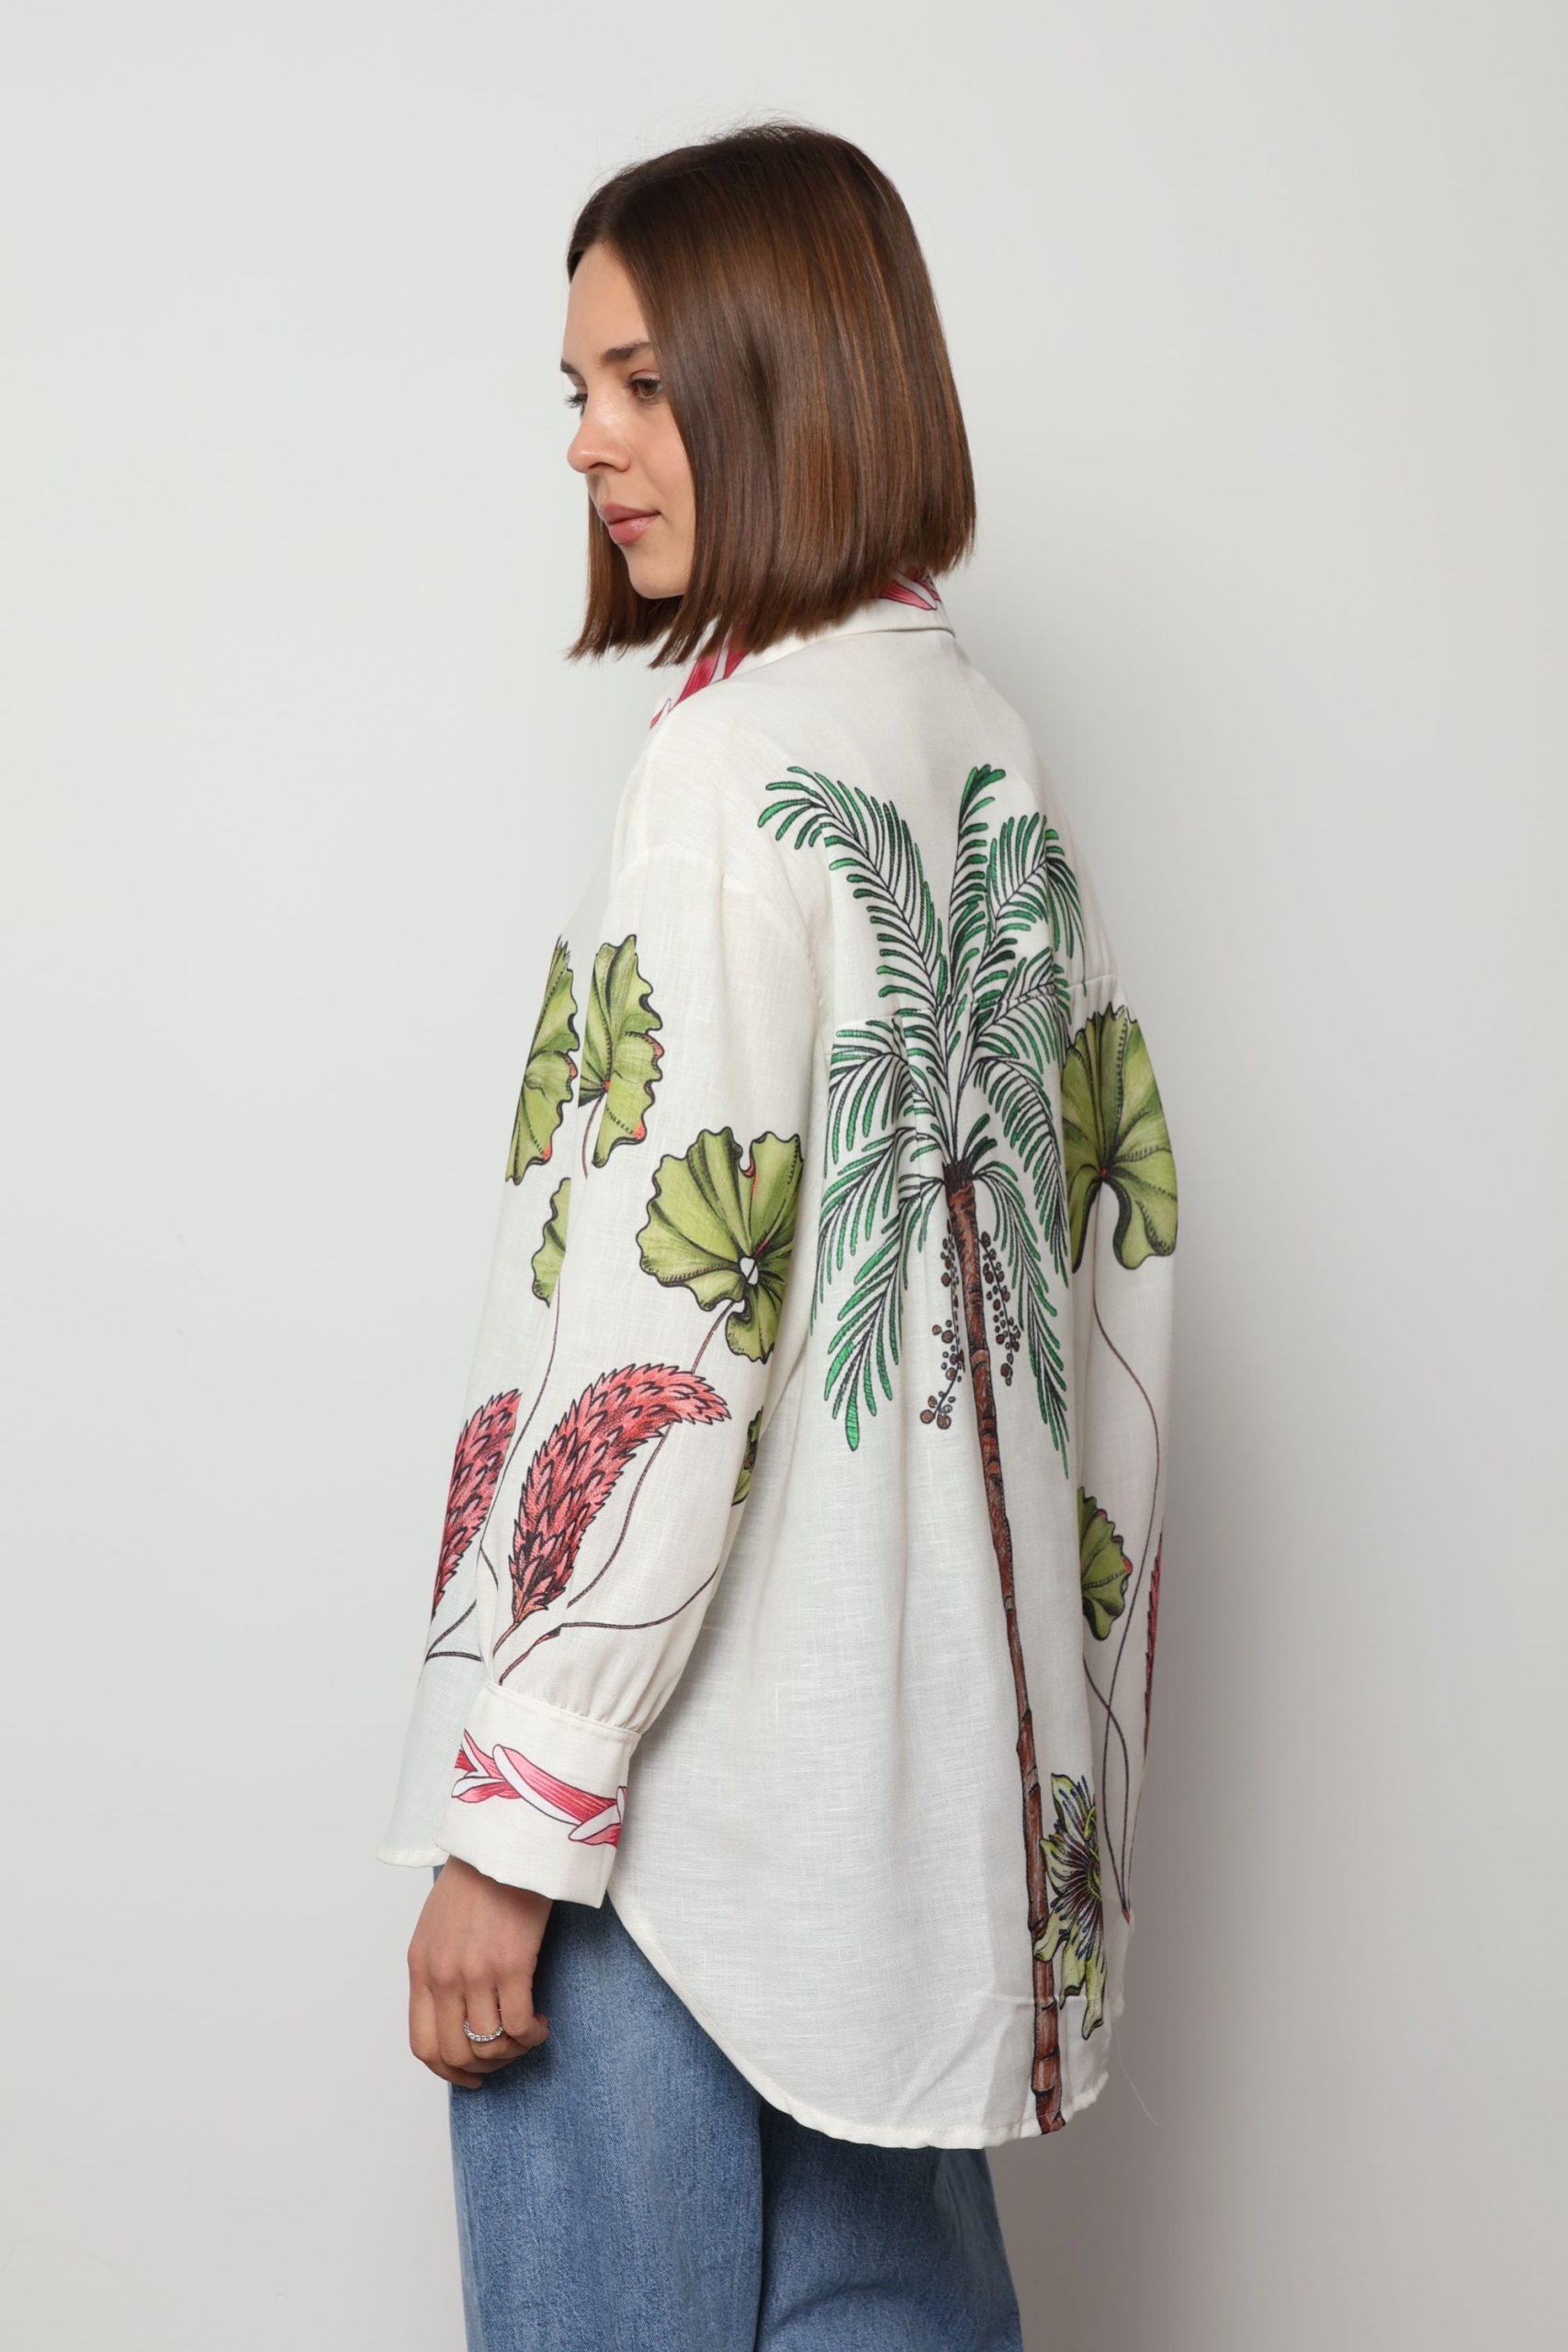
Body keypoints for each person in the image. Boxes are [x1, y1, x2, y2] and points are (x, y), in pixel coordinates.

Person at [378, 120, 1178, 2352]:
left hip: (677, 1835)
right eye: (575, 390)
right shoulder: (981, 744)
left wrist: (513, 1817)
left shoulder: (725, 776)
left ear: (784, 375)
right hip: (905, 1862)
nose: (585, 442)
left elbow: (667, 1315)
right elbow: (1110, 1274)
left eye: (639, 383)